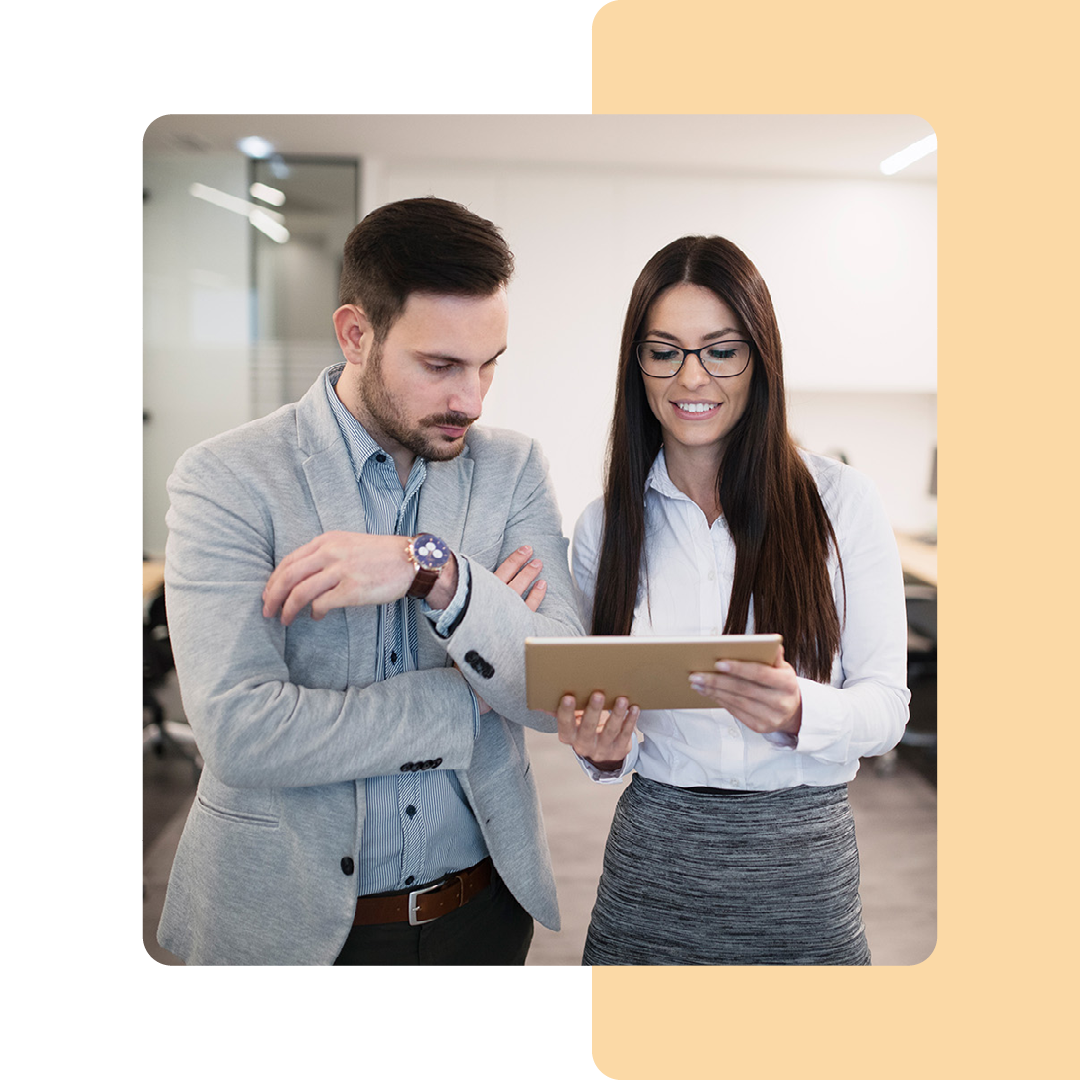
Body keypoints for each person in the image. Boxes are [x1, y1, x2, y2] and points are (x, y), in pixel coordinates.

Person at [157, 197, 583, 966]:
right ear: (357, 335)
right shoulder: (226, 479)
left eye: (489, 364)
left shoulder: (513, 468)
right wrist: (475, 698)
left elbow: (559, 686)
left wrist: (435, 570)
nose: (473, 400)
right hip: (287, 928)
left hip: (481, 916)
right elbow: (241, 736)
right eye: (441, 365)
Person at [557, 234, 910, 965]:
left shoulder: (841, 504)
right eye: (665, 351)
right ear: (638, 365)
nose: (693, 377)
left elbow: (887, 710)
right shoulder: (606, 525)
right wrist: (601, 748)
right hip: (656, 863)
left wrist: (799, 710)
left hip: (801, 868)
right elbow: (608, 724)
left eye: (721, 350)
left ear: (759, 358)